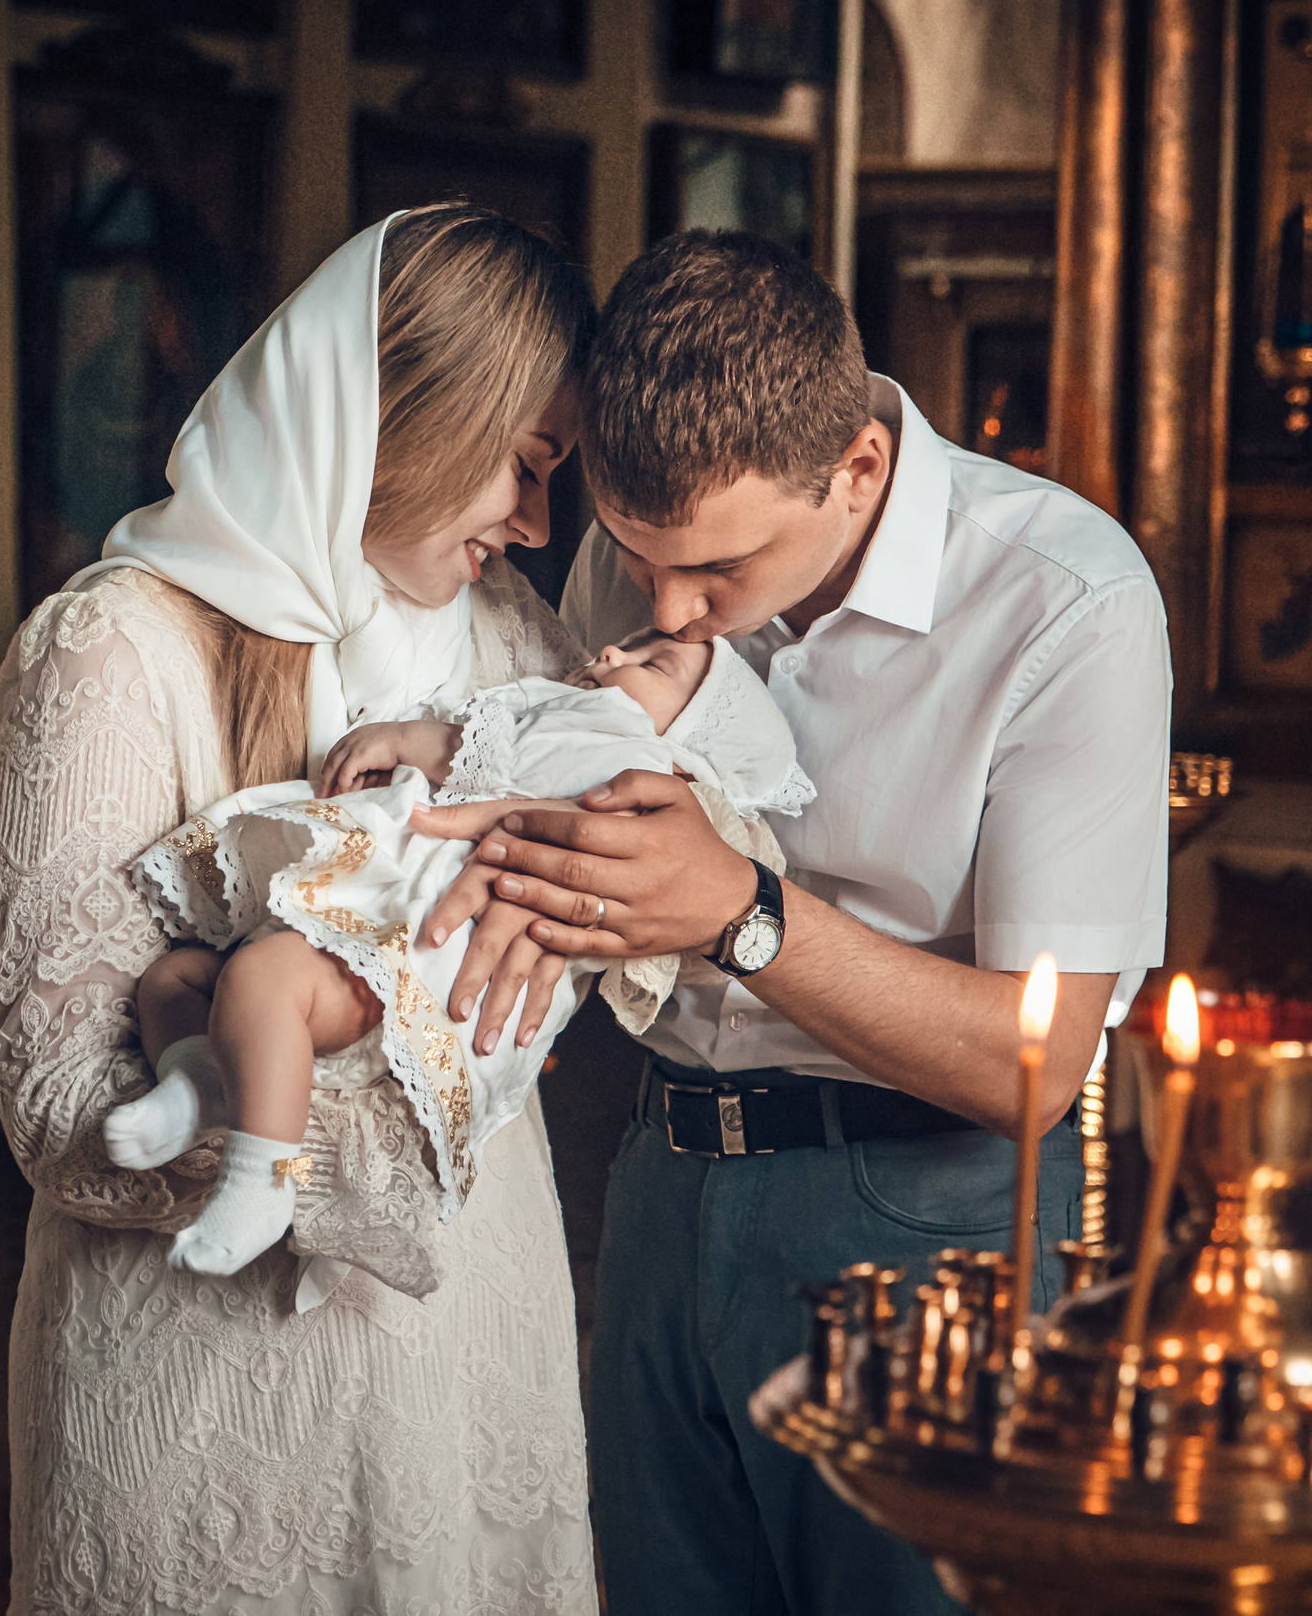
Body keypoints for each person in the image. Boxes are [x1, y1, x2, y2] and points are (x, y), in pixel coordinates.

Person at [417, 230, 1172, 1613]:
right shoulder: (641, 563)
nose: (665, 608)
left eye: (716, 569)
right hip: (658, 1176)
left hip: (931, 1213)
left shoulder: (1068, 601)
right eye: (636, 558)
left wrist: (739, 911)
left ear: (859, 471)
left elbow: (1041, 1063)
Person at [0, 206, 600, 1615]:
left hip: (471, 1352)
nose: (538, 522)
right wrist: (362, 1151)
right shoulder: (115, 647)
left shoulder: (515, 645)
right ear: (414, 413)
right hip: (207, 1391)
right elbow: (60, 1103)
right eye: (525, 465)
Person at [112, 630, 811, 1275]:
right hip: (375, 912)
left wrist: (406, 738)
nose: (614, 652)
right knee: (175, 980)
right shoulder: (588, 716)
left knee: (260, 984)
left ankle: (264, 1180)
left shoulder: (638, 757)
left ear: (693, 739)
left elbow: (487, 753)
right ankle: (202, 1080)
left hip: (416, 948)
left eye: (653, 665)